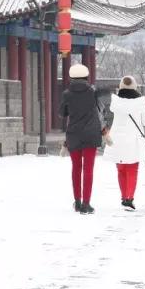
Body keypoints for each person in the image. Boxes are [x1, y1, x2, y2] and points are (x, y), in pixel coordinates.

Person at [59, 63, 104, 214]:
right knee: (88, 169)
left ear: (71, 77)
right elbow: (100, 109)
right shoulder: (93, 92)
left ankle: (77, 202)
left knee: (76, 168)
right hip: (91, 134)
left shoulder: (67, 94)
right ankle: (86, 203)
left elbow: (62, 113)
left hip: (74, 134)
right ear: (86, 76)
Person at [103, 75, 145, 211]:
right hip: (133, 141)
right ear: (134, 86)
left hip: (117, 140)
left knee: (121, 170)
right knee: (132, 170)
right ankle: (129, 198)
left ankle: (124, 197)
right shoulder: (140, 103)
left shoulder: (116, 102)